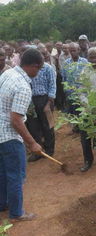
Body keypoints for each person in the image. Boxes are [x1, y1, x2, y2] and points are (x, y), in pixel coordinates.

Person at [0, 48, 43, 221]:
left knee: (3, 172)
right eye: (38, 69)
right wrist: (32, 143)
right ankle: (16, 213)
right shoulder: (23, 86)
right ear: (33, 66)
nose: (38, 72)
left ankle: (3, 204)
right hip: (9, 137)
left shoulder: (7, 73)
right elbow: (16, 120)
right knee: (16, 175)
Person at [27, 47, 56, 162]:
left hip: (45, 100)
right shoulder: (29, 69)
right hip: (30, 100)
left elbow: (53, 86)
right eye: (40, 54)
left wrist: (49, 103)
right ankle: (38, 152)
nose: (43, 56)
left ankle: (49, 150)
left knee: (48, 126)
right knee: (34, 127)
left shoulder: (48, 69)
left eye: (45, 54)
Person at [62, 43, 88, 115]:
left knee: (82, 113)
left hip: (82, 93)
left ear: (78, 50)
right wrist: (66, 90)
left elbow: (87, 77)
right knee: (72, 114)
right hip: (70, 93)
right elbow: (64, 78)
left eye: (74, 50)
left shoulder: (85, 62)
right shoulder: (66, 63)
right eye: (71, 51)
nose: (72, 53)